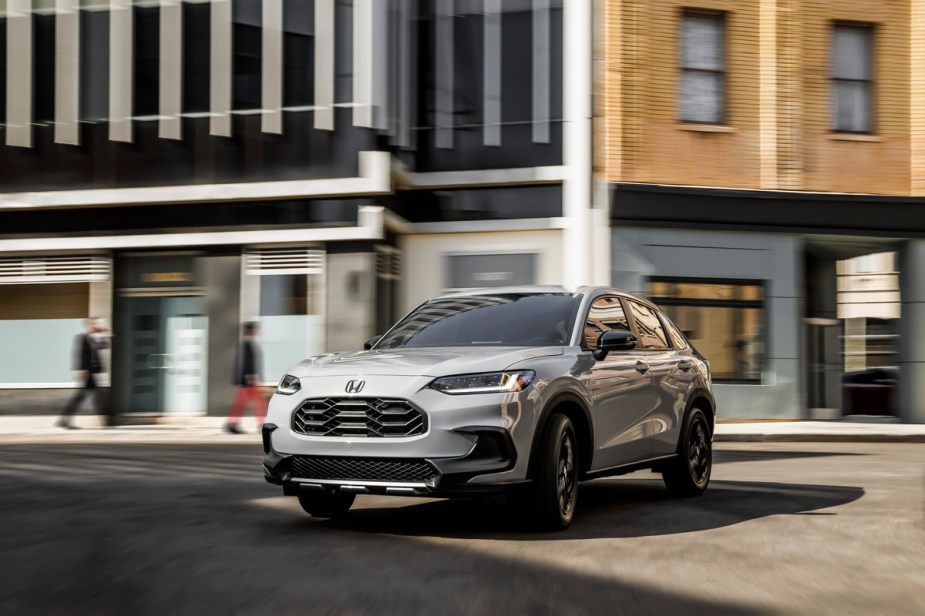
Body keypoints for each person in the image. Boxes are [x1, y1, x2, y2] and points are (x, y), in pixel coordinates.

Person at [57, 318, 113, 429]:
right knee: (89, 397)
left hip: (92, 372)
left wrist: (106, 333)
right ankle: (64, 420)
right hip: (87, 373)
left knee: (95, 396)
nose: (98, 325)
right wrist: (80, 371)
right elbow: (79, 355)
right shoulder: (82, 338)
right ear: (89, 325)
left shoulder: (95, 338)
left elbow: (105, 346)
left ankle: (64, 420)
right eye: (95, 324)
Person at [224, 321, 267, 434]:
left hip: (247, 379)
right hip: (248, 379)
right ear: (251, 330)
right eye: (256, 329)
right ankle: (260, 424)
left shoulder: (248, 342)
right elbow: (246, 362)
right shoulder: (246, 343)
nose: (258, 331)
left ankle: (232, 424)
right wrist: (251, 376)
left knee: (243, 402)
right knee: (256, 402)